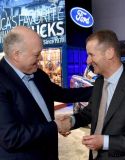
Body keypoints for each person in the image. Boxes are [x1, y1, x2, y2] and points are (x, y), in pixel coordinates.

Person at [59, 30, 125, 160]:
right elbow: (90, 112)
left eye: (91, 54)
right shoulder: (100, 82)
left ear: (109, 53)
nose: (87, 61)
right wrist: (71, 121)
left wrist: (105, 142)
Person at [0, 26, 92, 160]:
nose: (41, 58)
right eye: (37, 54)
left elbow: (63, 94)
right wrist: (55, 126)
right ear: (16, 54)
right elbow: (11, 137)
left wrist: (101, 88)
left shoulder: (38, 74)